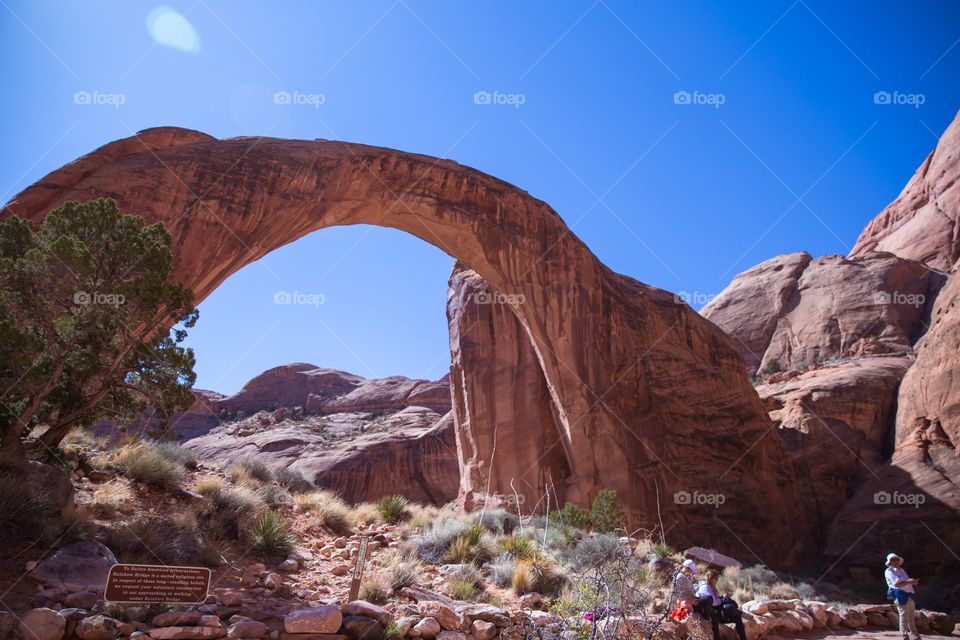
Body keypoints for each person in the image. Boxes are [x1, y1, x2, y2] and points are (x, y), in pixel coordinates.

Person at [696, 569, 747, 640]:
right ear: (710, 578)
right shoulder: (705, 587)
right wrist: (721, 599)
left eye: (717, 579)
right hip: (712, 613)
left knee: (737, 616)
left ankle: (743, 638)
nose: (717, 581)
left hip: (716, 611)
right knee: (729, 608)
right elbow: (713, 602)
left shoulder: (710, 587)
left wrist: (722, 597)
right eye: (715, 578)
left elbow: (715, 599)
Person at [885, 552, 921, 640]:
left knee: (911, 616)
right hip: (900, 595)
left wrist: (913, 582)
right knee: (904, 616)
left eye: (896, 559)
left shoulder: (901, 569)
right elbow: (897, 584)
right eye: (893, 560)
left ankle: (915, 635)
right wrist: (909, 582)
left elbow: (906, 582)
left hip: (909, 594)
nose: (895, 561)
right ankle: (904, 636)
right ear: (889, 562)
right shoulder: (889, 571)